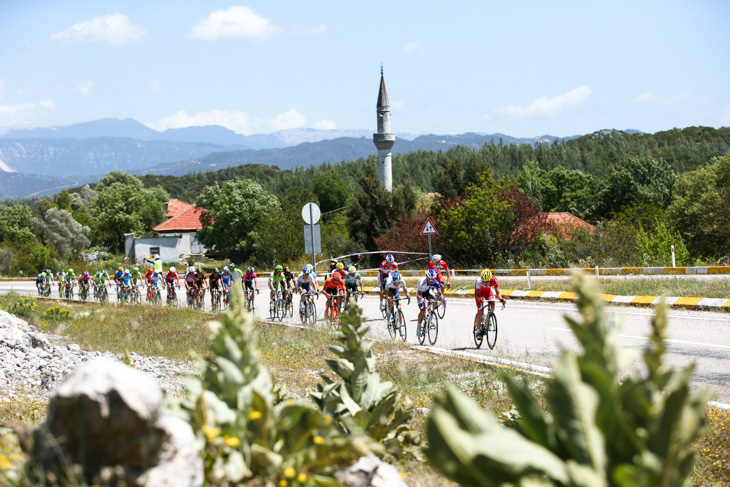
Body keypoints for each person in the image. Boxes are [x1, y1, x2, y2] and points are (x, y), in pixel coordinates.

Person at [474, 269, 506, 335]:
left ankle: (488, 318)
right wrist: (480, 298)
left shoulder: (494, 280)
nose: (485, 284)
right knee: (480, 311)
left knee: (492, 303)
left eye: (487, 282)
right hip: (480, 293)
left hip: (488, 292)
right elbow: (478, 294)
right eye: (484, 282)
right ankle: (478, 330)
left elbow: (497, 293)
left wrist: (501, 299)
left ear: (490, 280)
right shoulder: (478, 281)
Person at [416, 269, 444, 337]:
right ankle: (419, 327)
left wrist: (442, 298)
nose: (432, 281)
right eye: (430, 280)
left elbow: (440, 293)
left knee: (433, 300)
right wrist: (422, 300)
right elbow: (418, 295)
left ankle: (432, 316)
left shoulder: (435, 282)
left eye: (433, 279)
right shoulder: (422, 282)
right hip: (421, 294)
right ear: (427, 278)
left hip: (428, 291)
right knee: (422, 311)